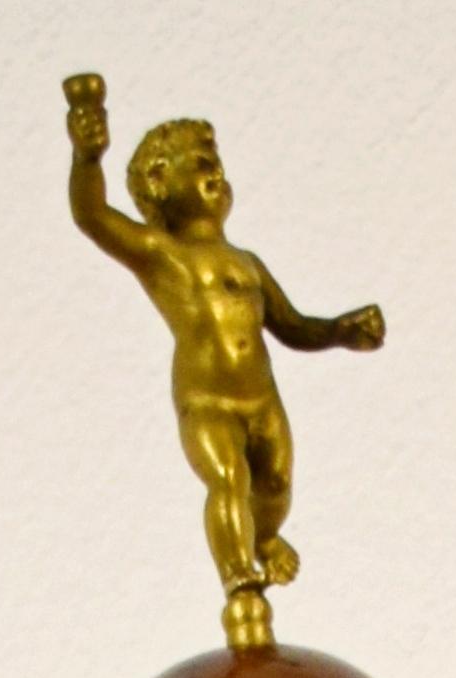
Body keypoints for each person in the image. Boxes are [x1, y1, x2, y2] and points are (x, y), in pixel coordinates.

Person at [62, 77, 384, 620]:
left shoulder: (247, 263)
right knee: (229, 478)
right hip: (207, 400)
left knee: (275, 485)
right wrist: (87, 157)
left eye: (217, 163)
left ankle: (264, 539)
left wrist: (340, 332)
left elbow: (291, 326)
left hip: (263, 401)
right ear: (161, 181)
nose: (216, 172)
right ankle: (239, 581)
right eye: (200, 163)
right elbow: (92, 217)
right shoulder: (161, 254)